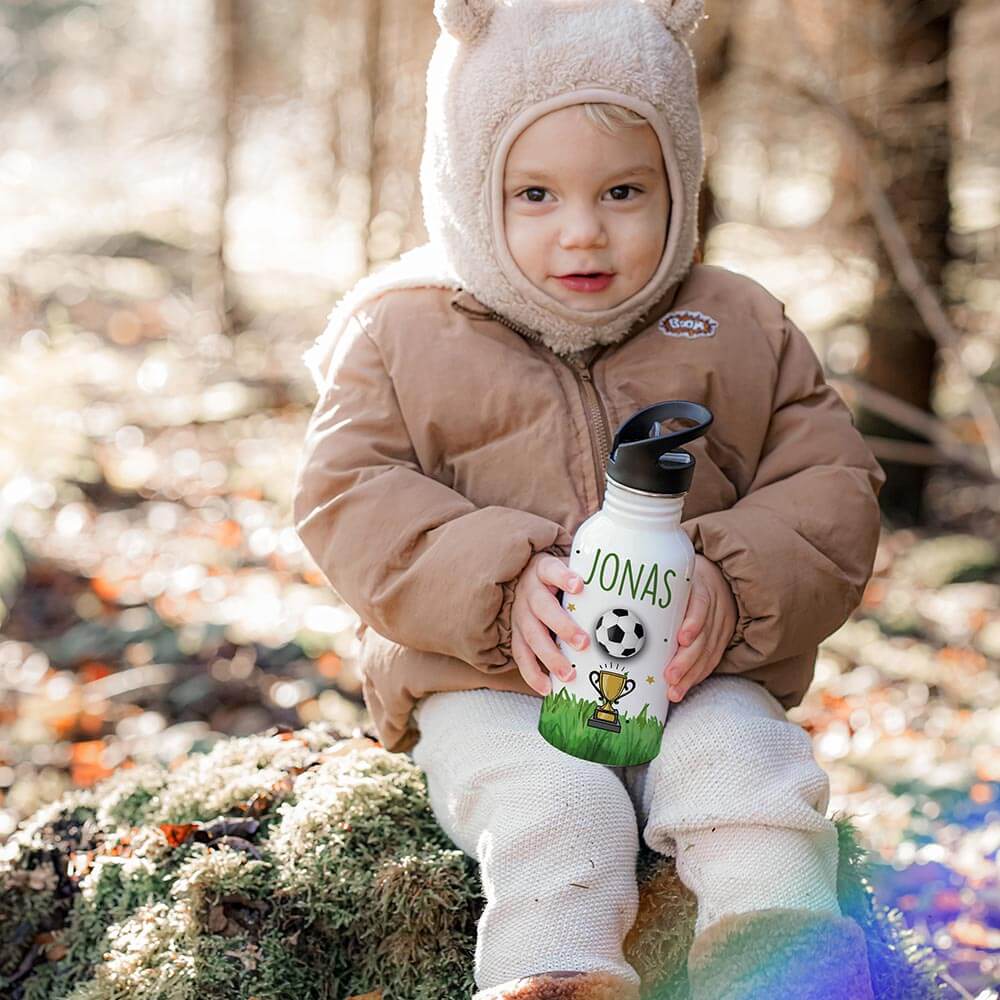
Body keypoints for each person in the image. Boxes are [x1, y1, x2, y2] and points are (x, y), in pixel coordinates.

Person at [291, 1, 886, 997]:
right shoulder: (399, 333)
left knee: (748, 768)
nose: (582, 231)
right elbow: (346, 491)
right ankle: (553, 972)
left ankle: (780, 947)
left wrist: (730, 584)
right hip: (485, 687)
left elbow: (831, 485)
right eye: (534, 193)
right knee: (556, 808)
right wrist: (496, 583)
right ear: (467, 185)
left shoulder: (738, 322)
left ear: (680, 181)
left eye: (622, 191)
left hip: (694, 676)